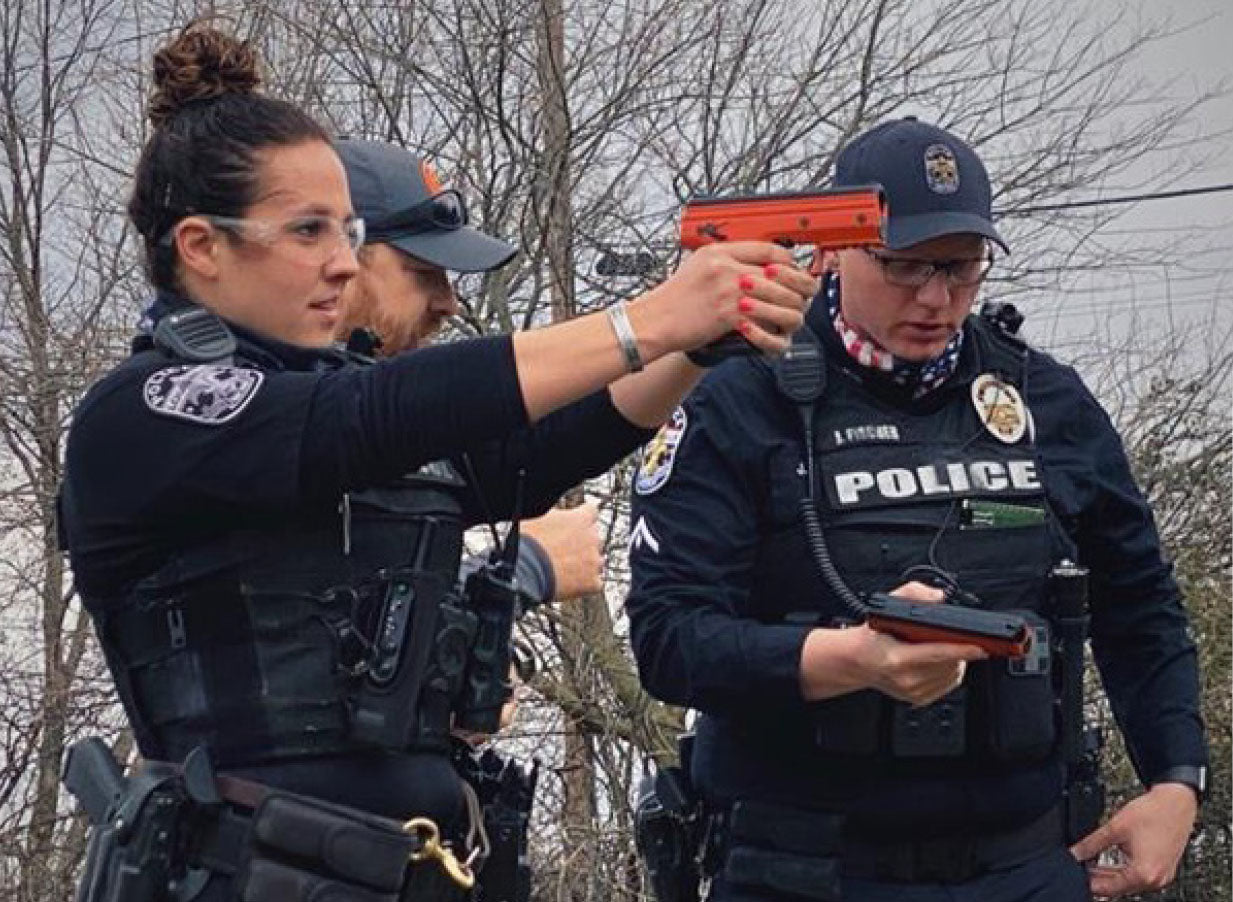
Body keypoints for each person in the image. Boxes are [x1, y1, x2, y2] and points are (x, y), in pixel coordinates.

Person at [58, 22, 814, 902]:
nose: (342, 263)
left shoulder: (339, 403)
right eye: (308, 231)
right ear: (201, 247)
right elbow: (369, 415)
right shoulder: (147, 410)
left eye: (349, 231)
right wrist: (644, 321)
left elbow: (531, 452)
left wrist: (697, 344)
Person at [626, 117, 1207, 902]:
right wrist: (844, 660)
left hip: (1022, 862)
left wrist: (1175, 780)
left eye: (960, 270)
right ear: (833, 249)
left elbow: (1138, 604)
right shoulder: (740, 399)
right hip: (805, 868)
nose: (936, 299)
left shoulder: (1044, 399)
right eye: (903, 267)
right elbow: (668, 640)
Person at [330, 137, 604, 613]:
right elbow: (326, 629)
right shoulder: (247, 415)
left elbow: (544, 446)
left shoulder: (407, 419)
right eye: (423, 272)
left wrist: (691, 345)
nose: (449, 303)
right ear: (338, 259)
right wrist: (521, 569)